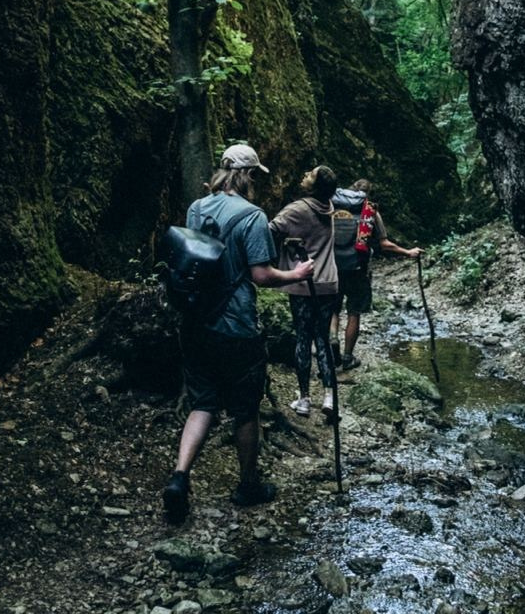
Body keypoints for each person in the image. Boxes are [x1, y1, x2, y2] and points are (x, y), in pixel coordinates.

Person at [161, 143, 314, 525]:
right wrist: (296, 275)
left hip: (197, 322)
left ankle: (180, 477)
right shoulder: (252, 216)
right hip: (236, 326)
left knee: (203, 402)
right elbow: (261, 275)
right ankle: (248, 485)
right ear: (247, 176)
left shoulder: (197, 208)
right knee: (245, 408)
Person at [331, 178, 423, 370]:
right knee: (354, 313)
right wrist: (408, 252)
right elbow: (384, 244)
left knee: (333, 311)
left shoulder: (330, 204)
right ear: (367, 193)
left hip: (332, 267)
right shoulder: (370, 211)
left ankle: (332, 345)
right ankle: (347, 358)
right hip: (358, 269)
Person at [269, 165, 339, 418]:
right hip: (328, 282)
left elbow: (269, 231)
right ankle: (330, 396)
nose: (305, 174)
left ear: (315, 184)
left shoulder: (298, 209)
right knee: (322, 339)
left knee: (302, 338)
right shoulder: (329, 206)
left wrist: (278, 253)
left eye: (310, 174)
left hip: (302, 284)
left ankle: (305, 399)